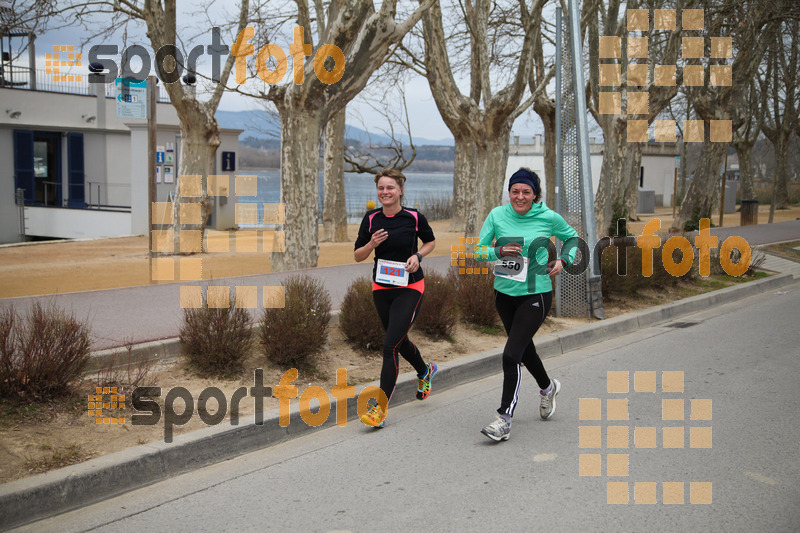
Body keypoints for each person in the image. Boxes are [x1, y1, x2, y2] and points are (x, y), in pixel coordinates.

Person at [475, 167, 579, 442]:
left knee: (511, 356)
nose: (520, 196)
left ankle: (504, 419)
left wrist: (563, 260)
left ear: (535, 195)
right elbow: (477, 250)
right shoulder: (497, 215)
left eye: (526, 192)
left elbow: (572, 238)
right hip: (504, 294)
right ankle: (547, 387)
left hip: (536, 294)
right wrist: (498, 250)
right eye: (515, 191)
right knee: (523, 349)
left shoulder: (548, 217)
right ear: (509, 193)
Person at [354, 168, 438, 428]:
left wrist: (418, 256)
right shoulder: (370, 219)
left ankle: (378, 410)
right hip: (382, 288)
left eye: (390, 188)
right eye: (381, 188)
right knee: (399, 342)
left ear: (401, 190)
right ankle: (425, 370)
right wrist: (371, 245)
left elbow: (430, 241)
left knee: (389, 346)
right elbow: (358, 255)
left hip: (411, 287)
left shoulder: (414, 217)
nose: (385, 192)